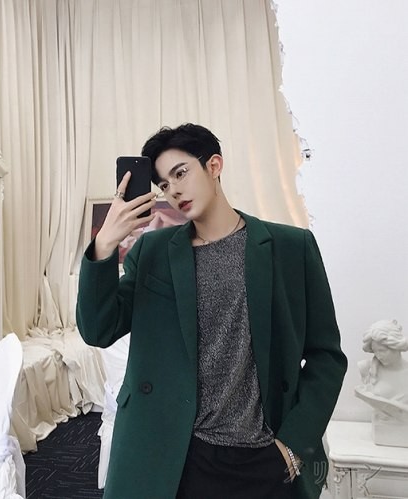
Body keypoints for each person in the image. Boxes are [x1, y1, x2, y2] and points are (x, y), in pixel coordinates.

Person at [76, 123, 347, 499]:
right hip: (178, 456)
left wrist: (292, 446)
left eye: (180, 173)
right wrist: (105, 242)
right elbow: (98, 329)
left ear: (214, 165)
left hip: (263, 456)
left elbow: (326, 356)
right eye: (164, 184)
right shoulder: (153, 252)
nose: (173, 191)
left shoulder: (291, 247)